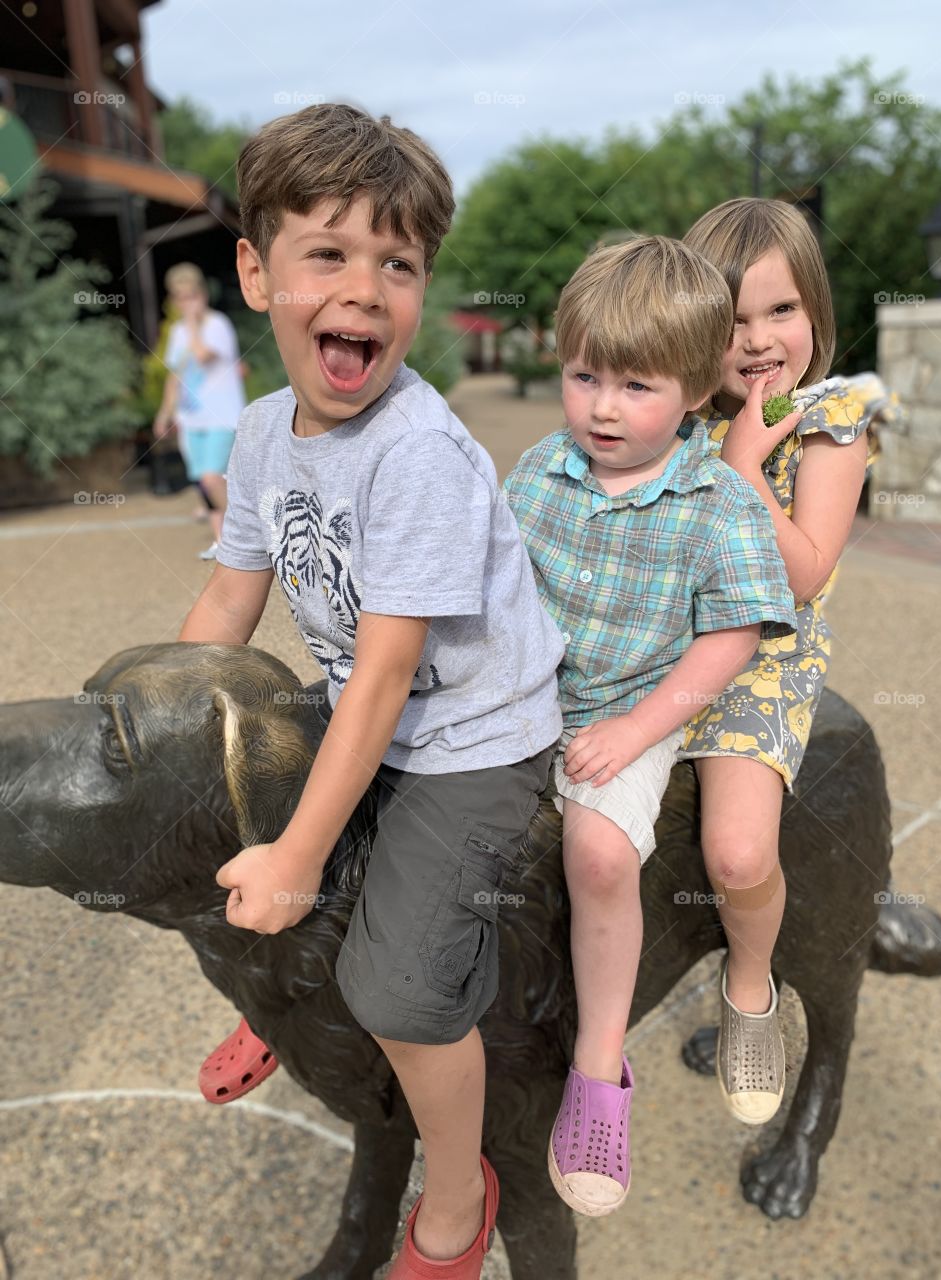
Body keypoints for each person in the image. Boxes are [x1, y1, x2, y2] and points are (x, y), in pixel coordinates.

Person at [177, 102, 563, 1278]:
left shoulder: (419, 452)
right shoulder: (256, 434)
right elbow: (228, 613)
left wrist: (298, 853)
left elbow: (392, 671)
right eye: (328, 253)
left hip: (471, 734)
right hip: (368, 706)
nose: (366, 286)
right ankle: (285, 994)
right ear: (256, 271)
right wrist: (167, 724)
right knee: (216, 806)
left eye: (397, 262)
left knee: (398, 984)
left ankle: (458, 1192)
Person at [502, 236, 798, 1217]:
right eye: (584, 375)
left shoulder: (716, 504)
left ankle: (596, 1070)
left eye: (634, 384)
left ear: (694, 390)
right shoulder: (542, 469)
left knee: (595, 849)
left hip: (630, 705)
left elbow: (731, 639)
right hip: (522, 701)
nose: (600, 405)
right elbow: (497, 587)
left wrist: (635, 729)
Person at [676, 198, 877, 1124]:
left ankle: (750, 988)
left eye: (781, 311)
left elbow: (800, 576)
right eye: (732, 321)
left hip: (764, 660)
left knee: (737, 845)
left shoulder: (832, 421)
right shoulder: (675, 418)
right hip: (661, 651)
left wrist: (746, 464)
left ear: (816, 315)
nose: (758, 341)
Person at [152, 262, 246, 559]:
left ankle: (246, 534)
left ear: (202, 295)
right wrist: (165, 413)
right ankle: (222, 542)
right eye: (180, 297)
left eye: (191, 295)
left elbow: (203, 355)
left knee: (211, 478)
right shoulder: (177, 332)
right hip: (190, 419)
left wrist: (193, 324)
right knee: (202, 484)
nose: (186, 303)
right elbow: (175, 375)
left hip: (222, 416)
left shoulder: (217, 325)